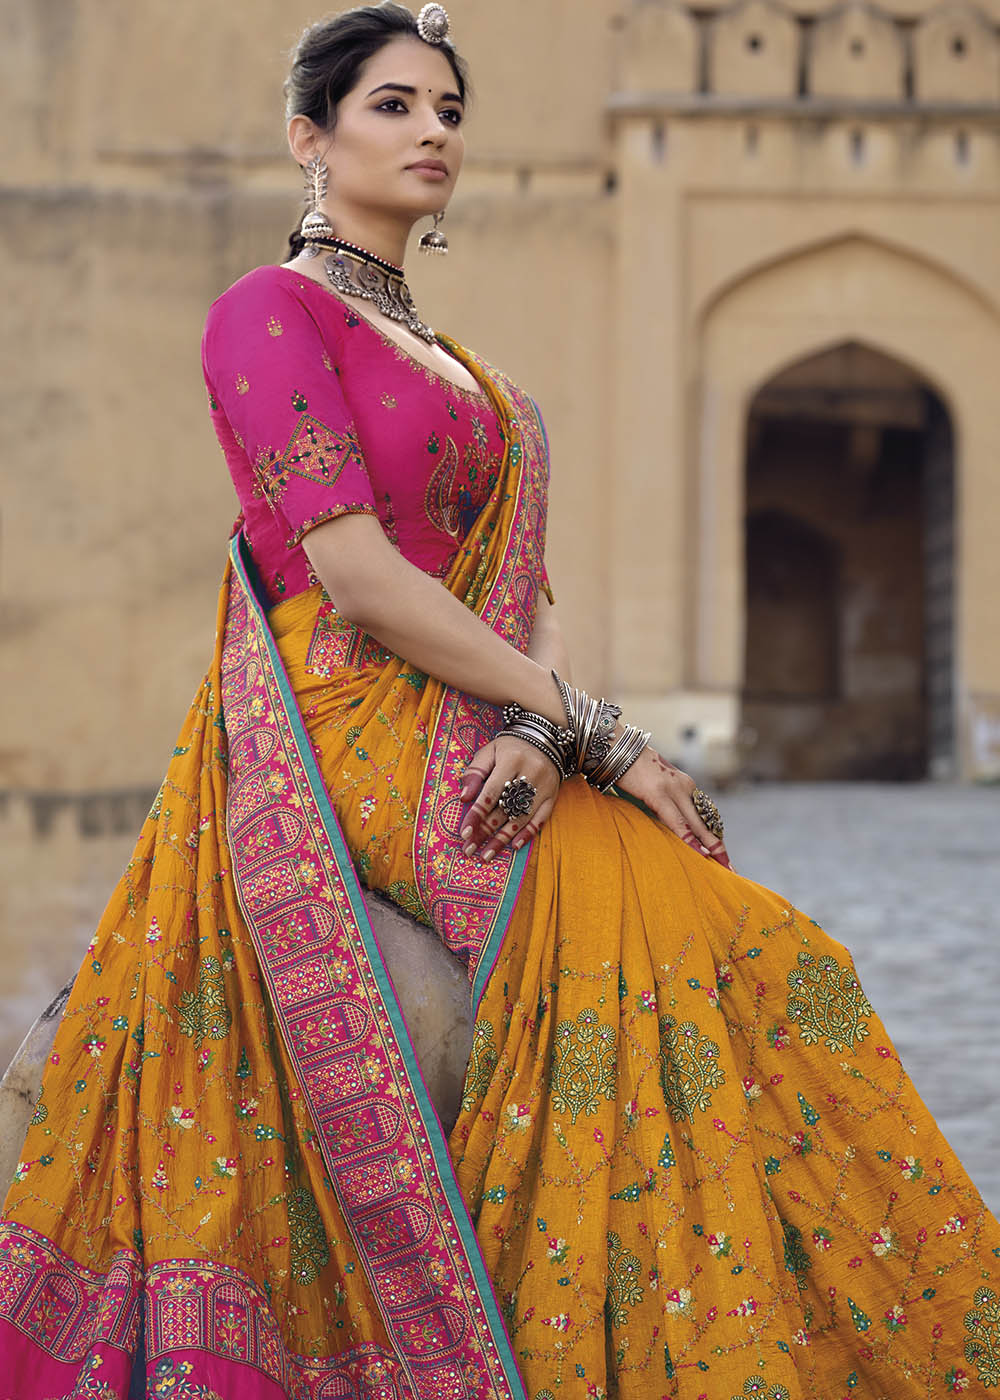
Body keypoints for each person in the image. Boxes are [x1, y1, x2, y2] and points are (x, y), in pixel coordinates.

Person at [1, 4, 997, 1397]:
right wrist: (605, 736)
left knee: (787, 964)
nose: (433, 133)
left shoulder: (473, 375)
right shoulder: (268, 314)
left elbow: (529, 591)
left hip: (489, 714)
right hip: (351, 719)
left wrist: (541, 727)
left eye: (451, 111)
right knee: (645, 932)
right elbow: (350, 573)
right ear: (312, 134)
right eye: (394, 106)